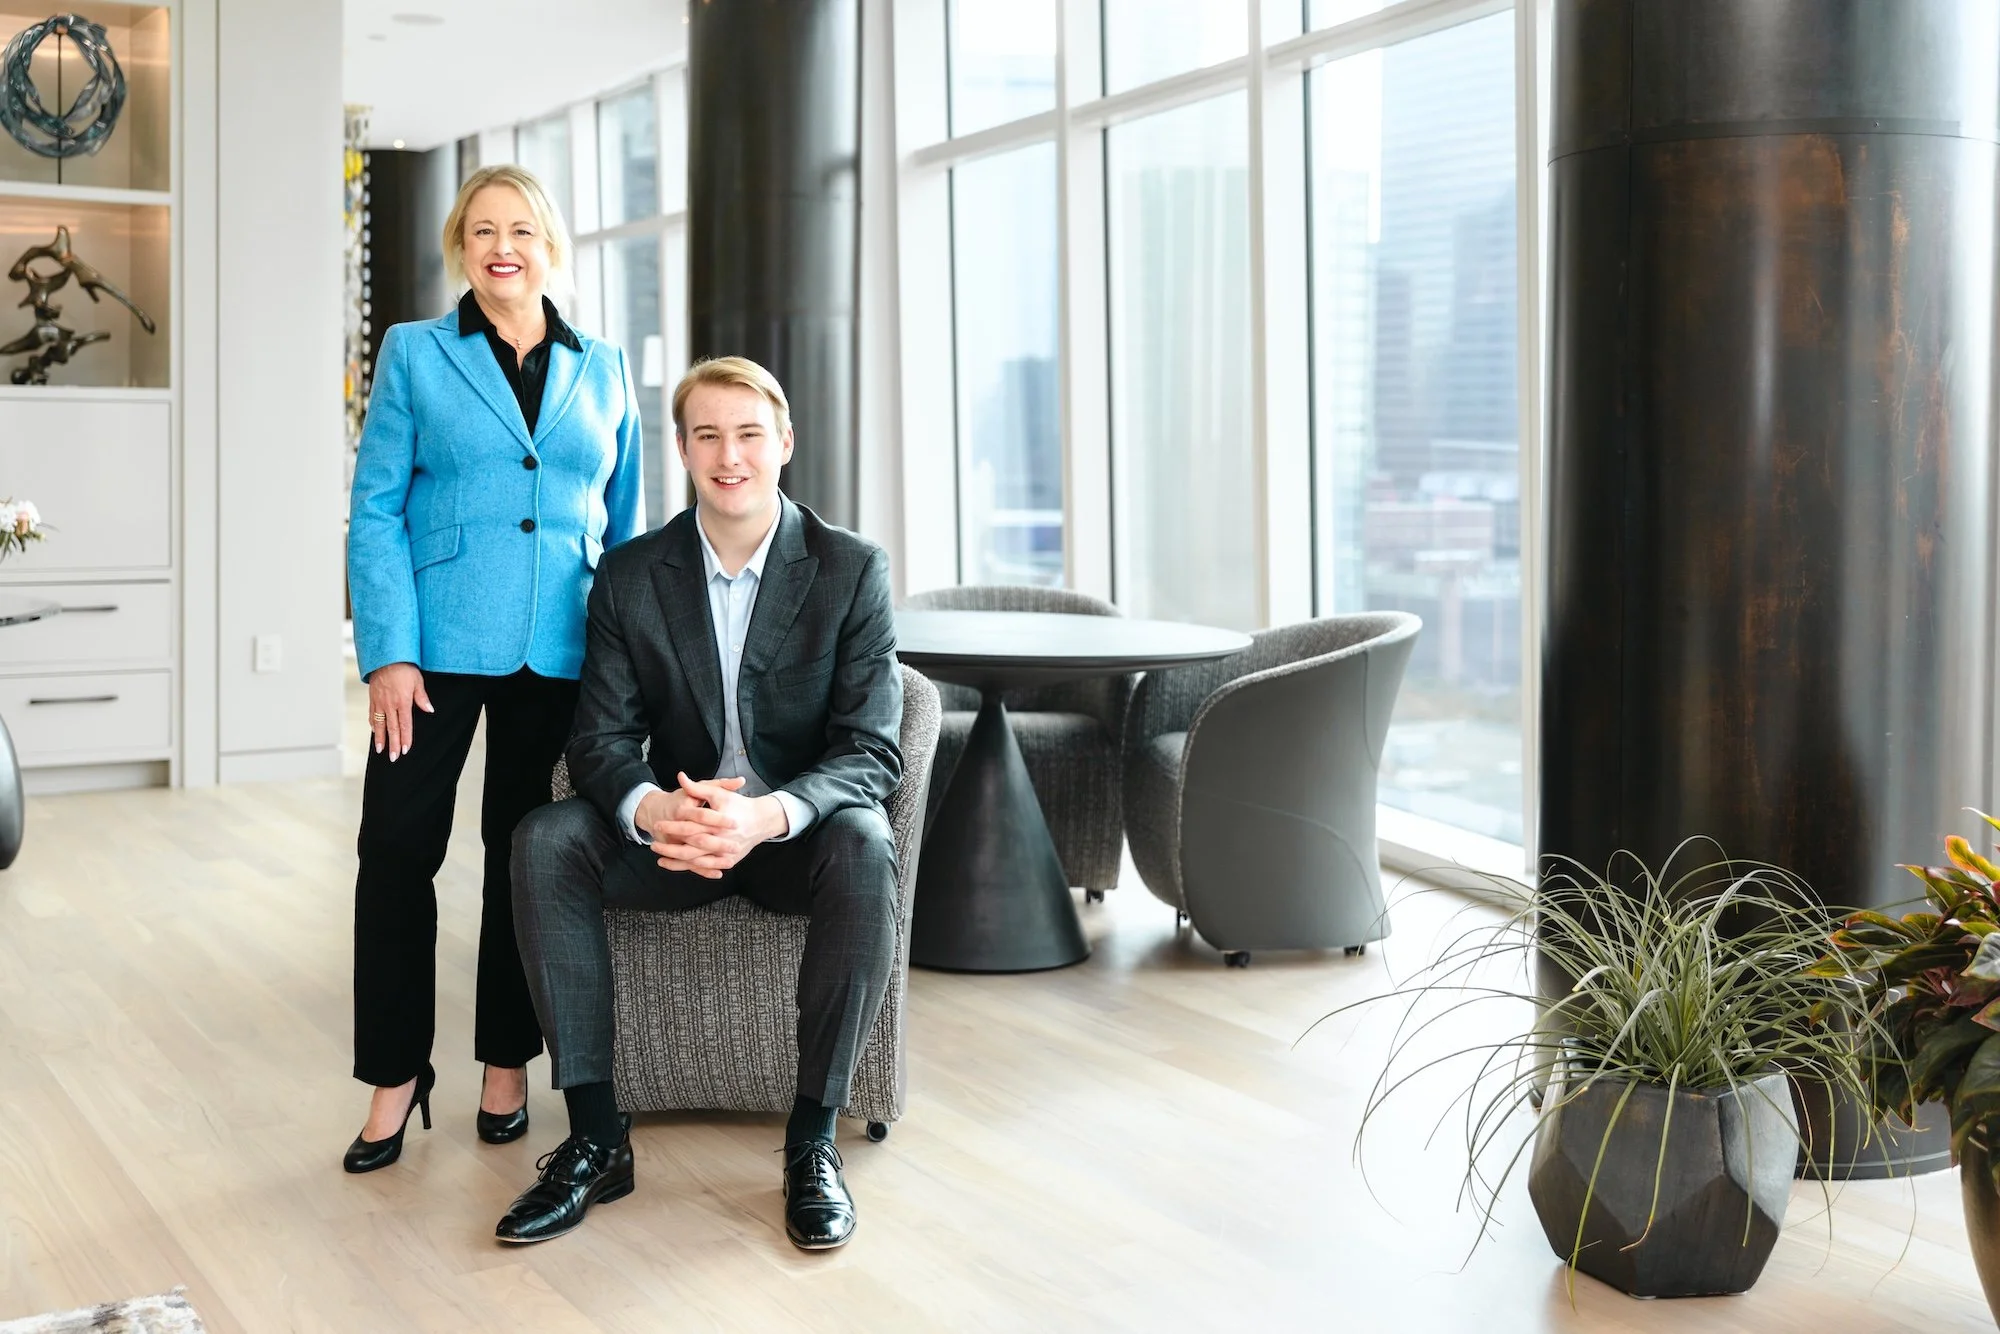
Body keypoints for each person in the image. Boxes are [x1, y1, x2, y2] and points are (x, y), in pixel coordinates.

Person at [500, 356, 902, 1250]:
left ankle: (812, 1141)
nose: (731, 456)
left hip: (794, 842)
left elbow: (871, 749)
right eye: (708, 435)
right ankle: (598, 1137)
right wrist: (649, 809)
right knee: (542, 839)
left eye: (750, 434)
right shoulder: (633, 574)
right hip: (675, 840)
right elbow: (599, 739)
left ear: (785, 444)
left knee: (867, 842)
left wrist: (768, 814)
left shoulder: (850, 569)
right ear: (681, 449)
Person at [343, 164, 647, 1173]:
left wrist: (624, 667)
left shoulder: (602, 368)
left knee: (524, 863)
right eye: (481, 230)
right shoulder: (417, 353)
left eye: (519, 228)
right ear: (459, 247)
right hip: (429, 650)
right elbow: (376, 506)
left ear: (549, 246)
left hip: (559, 653)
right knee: (395, 849)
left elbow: (628, 534)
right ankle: (396, 1071)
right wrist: (386, 650)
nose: (500, 245)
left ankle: (506, 1063)